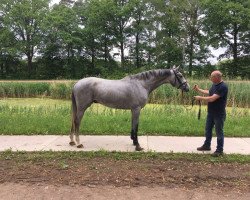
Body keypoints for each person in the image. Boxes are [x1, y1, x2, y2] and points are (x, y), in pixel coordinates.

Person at [193, 70, 228, 157]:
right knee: (208, 129)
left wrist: (200, 98)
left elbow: (212, 98)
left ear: (217, 77)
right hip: (211, 112)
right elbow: (210, 92)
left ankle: (219, 150)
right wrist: (198, 89)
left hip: (219, 113)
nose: (210, 78)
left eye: (212, 77)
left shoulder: (223, 87)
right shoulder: (215, 85)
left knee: (219, 132)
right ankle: (207, 145)